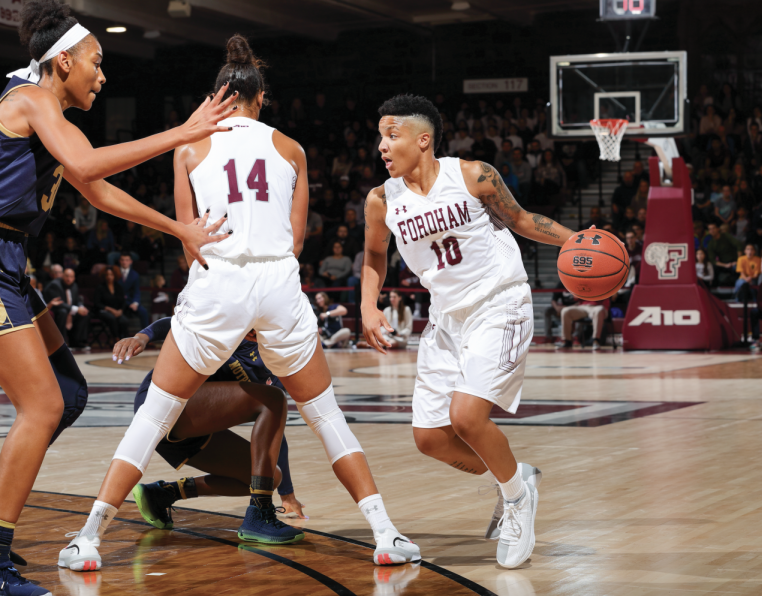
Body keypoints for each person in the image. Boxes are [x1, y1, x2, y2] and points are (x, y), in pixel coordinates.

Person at [59, 35, 418, 572]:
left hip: (219, 280)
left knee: (155, 415)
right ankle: (386, 535)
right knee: (325, 416)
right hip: (278, 284)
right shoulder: (291, 148)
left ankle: (89, 539)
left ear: (218, 96)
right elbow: (297, 242)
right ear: (262, 97)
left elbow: (189, 239)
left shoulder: (187, 148)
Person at [0, 1, 235, 587]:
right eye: (95, 63)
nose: (103, 76)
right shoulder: (29, 101)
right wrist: (181, 133)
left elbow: (96, 188)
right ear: (62, 61)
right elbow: (84, 163)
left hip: (12, 264)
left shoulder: (47, 109)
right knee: (43, 405)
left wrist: (179, 228)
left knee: (69, 393)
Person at [361, 94, 577, 568]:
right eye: (380, 136)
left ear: (423, 140)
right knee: (430, 437)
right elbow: (376, 256)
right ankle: (516, 478)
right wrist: (367, 305)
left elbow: (521, 220)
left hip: (499, 303)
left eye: (391, 135)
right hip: (445, 318)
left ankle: (518, 503)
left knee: (466, 418)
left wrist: (574, 240)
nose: (382, 145)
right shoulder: (381, 200)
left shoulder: (473, 175)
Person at [112, 317, 306, 527]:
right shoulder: (243, 331)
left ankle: (163, 494)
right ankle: (260, 515)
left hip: (193, 426)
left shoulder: (280, 372)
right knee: (272, 399)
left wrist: (287, 495)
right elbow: (178, 323)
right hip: (162, 400)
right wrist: (141, 337)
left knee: (269, 478)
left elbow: (277, 437)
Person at [43, 266, 89, 347]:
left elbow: (77, 300)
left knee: (84, 314)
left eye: (71, 277)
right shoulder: (55, 285)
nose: (69, 279)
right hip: (56, 310)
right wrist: (76, 309)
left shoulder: (74, 285)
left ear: (74, 278)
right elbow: (59, 303)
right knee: (63, 312)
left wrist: (81, 307)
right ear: (62, 276)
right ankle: (62, 342)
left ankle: (76, 342)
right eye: (67, 276)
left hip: (70, 310)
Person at [93, 265, 129, 340]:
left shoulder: (119, 287)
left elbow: (123, 301)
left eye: (111, 275)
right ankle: (116, 338)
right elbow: (97, 303)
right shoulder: (100, 287)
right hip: (103, 311)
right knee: (112, 318)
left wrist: (121, 310)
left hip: (117, 311)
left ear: (115, 275)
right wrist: (110, 309)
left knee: (124, 320)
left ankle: (125, 339)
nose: (109, 277)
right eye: (107, 275)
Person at [118, 253, 148, 329]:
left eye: (127, 260)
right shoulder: (115, 273)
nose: (124, 262)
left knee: (143, 312)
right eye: (122, 260)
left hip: (130, 301)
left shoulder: (135, 275)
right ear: (119, 261)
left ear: (130, 261)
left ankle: (146, 336)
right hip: (118, 302)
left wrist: (135, 303)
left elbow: (136, 291)